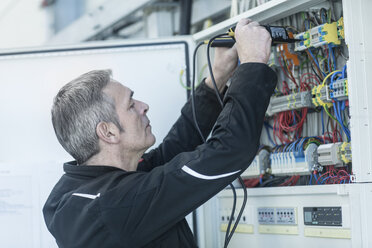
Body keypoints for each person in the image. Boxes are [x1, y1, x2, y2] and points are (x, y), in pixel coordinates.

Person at [43, 18, 277, 248]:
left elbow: (173, 152)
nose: (143, 105)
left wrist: (217, 77)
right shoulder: (113, 207)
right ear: (108, 132)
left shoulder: (80, 191)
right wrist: (252, 65)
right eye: (130, 103)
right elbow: (228, 152)